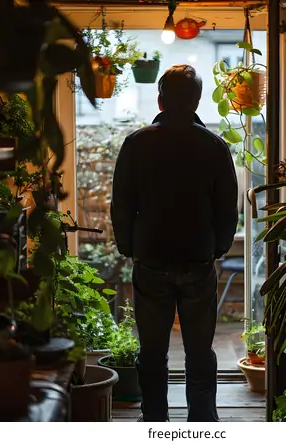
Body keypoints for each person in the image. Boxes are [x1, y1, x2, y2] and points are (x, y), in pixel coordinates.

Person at [110, 64, 239, 422]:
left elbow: (122, 202)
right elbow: (228, 207)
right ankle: (202, 419)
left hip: (150, 260)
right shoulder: (214, 146)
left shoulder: (137, 142)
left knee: (152, 351)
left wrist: (128, 246)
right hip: (198, 260)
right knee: (200, 352)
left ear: (160, 99)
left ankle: (154, 418)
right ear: (197, 100)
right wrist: (218, 248)